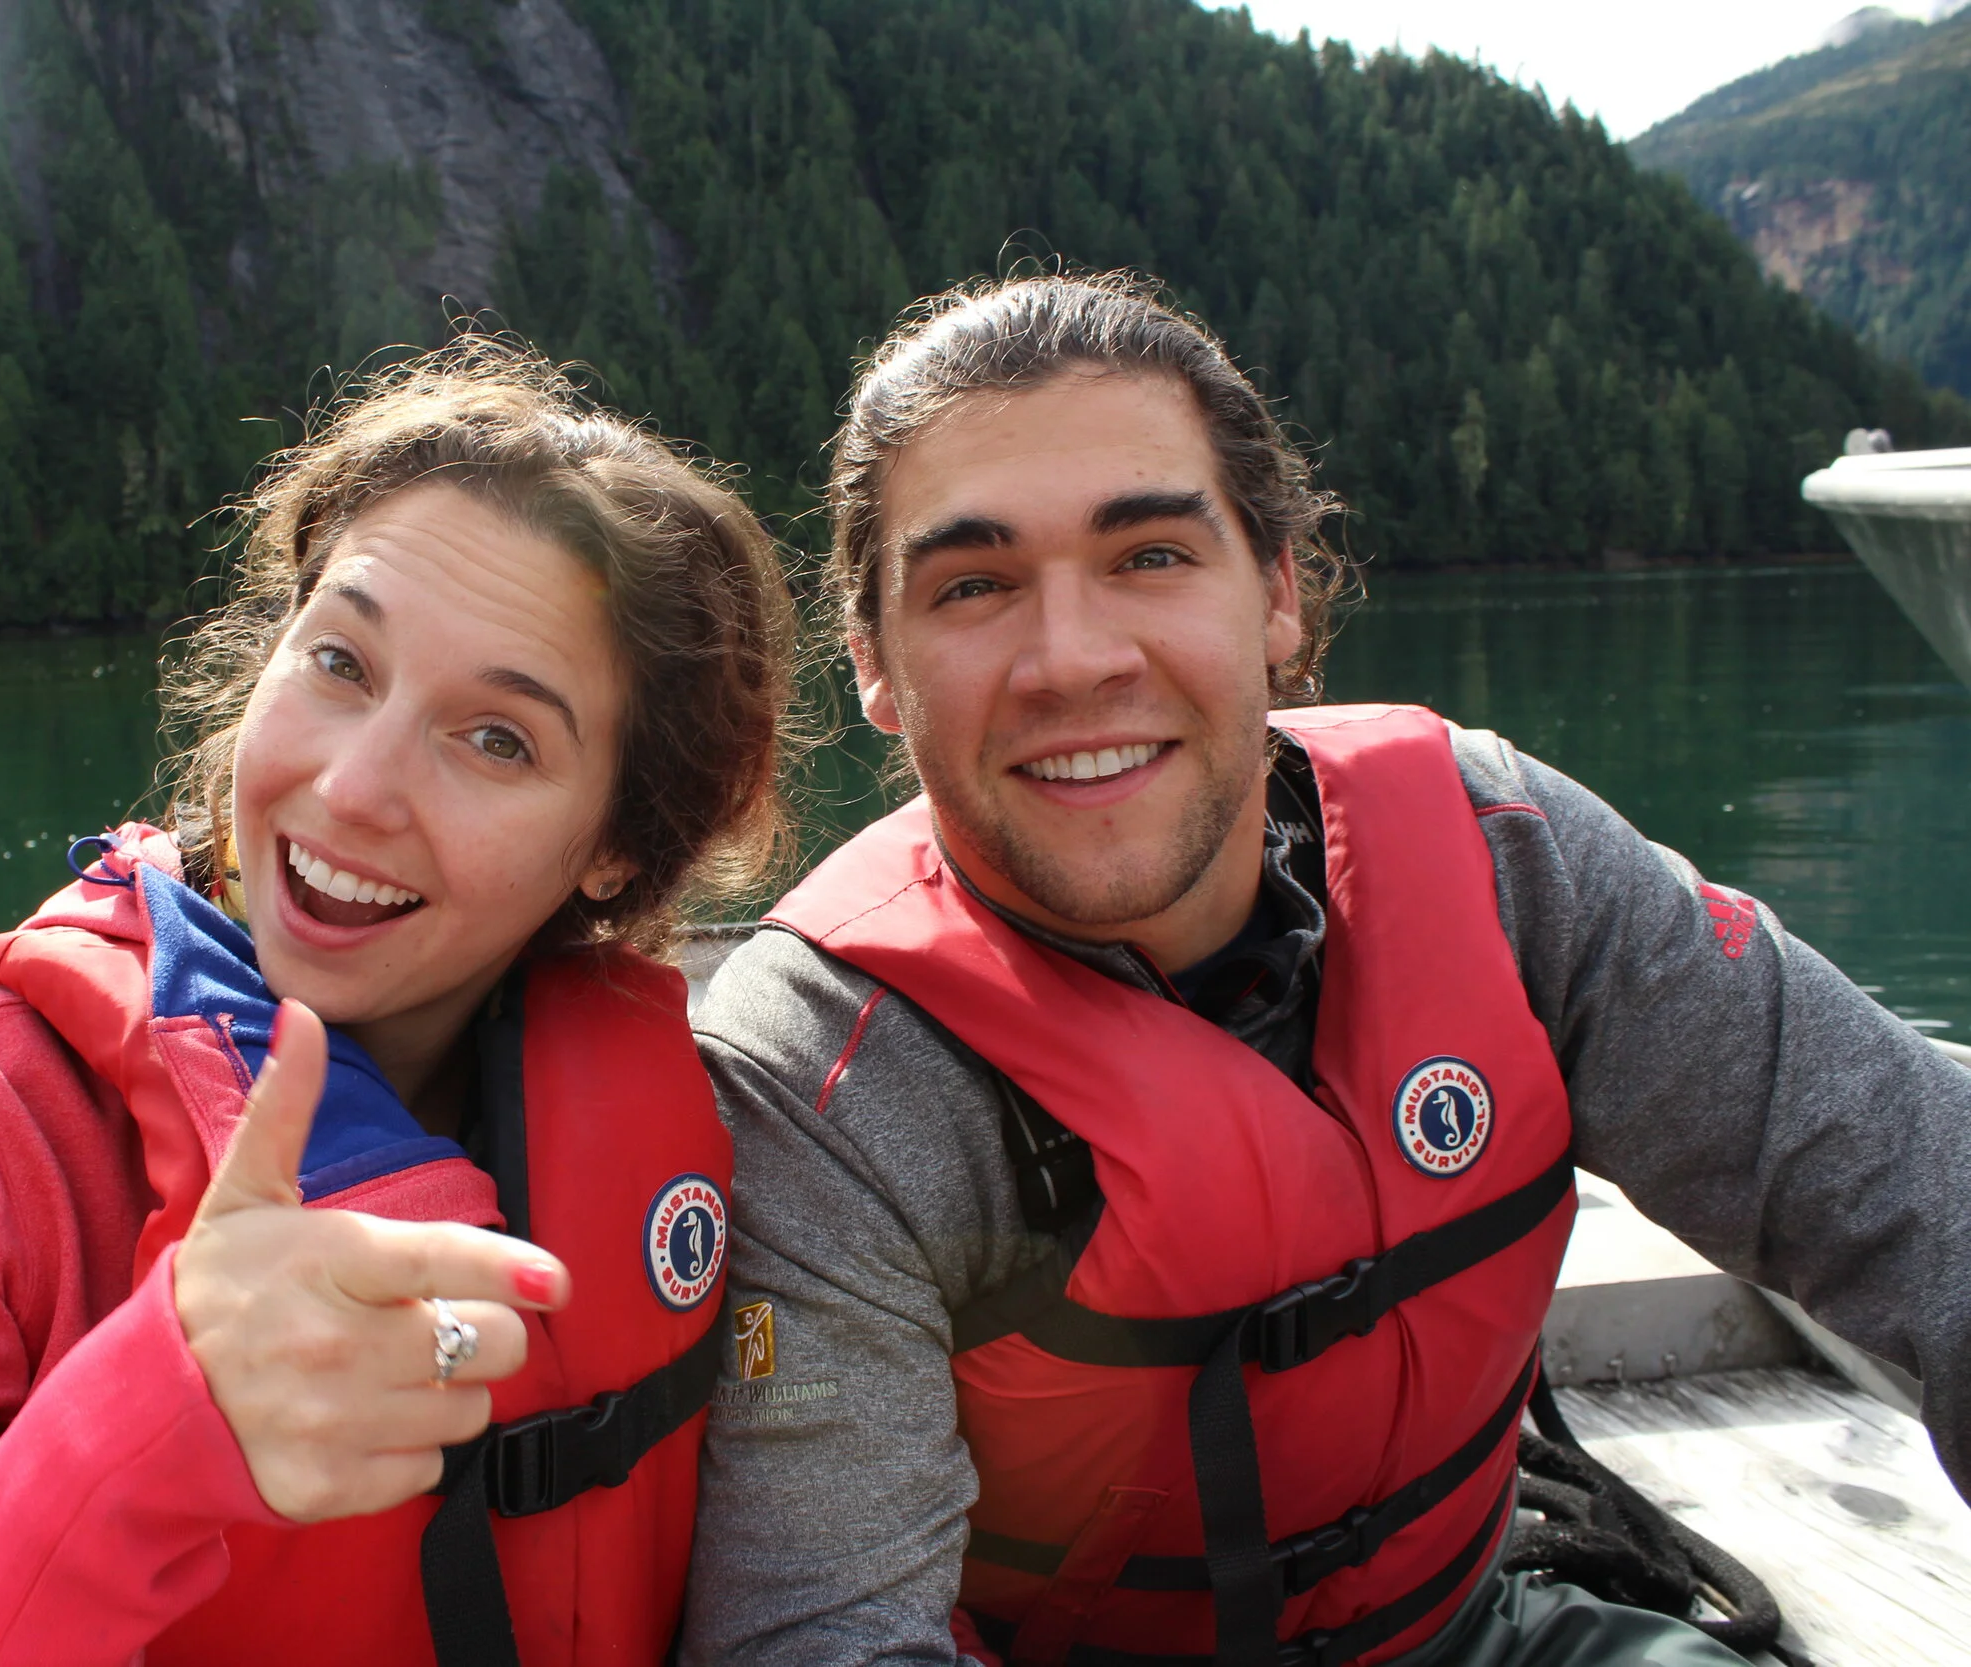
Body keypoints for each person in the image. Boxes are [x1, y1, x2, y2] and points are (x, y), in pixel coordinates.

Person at [681, 273, 1971, 1667]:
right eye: (975, 585)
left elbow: (1929, 1201)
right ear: (875, 663)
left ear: (1281, 590)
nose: (1073, 658)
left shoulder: (1508, 861)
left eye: (1152, 555)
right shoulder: (818, 1076)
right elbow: (821, 1636)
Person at [0, 340, 795, 1667]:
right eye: (340, 662)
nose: (353, 789)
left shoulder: (727, 1111)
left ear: (619, 841)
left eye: (497, 738)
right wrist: (153, 1427)